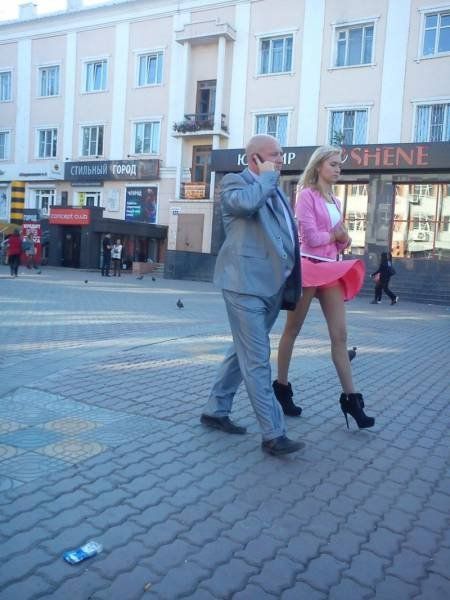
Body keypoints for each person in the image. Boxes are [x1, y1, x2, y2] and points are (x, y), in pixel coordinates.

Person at [200, 134, 304, 456]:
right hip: (243, 284)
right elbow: (246, 205)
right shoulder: (234, 183)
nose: (281, 160)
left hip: (272, 286)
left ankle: (215, 410)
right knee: (257, 359)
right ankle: (273, 434)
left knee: (241, 351)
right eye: (274, 155)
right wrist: (267, 178)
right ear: (254, 159)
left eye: (281, 154)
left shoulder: (276, 189)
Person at [274, 145, 375, 430]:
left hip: (330, 269)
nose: (338, 169)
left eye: (339, 165)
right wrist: (335, 235)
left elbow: (336, 243)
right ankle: (281, 388)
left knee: (340, 335)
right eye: (333, 164)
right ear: (319, 166)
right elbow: (310, 238)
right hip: (308, 268)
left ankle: (352, 400)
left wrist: (343, 239)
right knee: (292, 330)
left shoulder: (336, 200)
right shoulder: (306, 195)